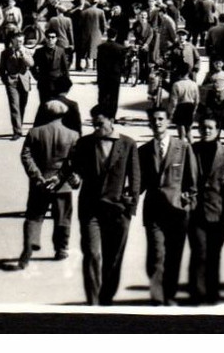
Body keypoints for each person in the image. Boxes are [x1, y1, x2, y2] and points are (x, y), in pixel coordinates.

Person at [64, 107, 141, 306]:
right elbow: (76, 170)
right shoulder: (85, 143)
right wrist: (75, 178)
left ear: (111, 120)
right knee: (92, 253)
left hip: (118, 210)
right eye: (94, 124)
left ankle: (106, 298)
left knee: (113, 259)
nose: (97, 128)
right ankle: (93, 302)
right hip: (91, 209)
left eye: (100, 123)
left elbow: (135, 177)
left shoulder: (128, 144)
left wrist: (130, 209)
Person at [140, 106, 196, 306]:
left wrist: (188, 202)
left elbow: (192, 180)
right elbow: (140, 183)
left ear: (168, 121)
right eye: (154, 119)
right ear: (149, 122)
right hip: (154, 211)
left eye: (161, 119)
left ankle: (169, 295)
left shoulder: (183, 147)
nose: (157, 123)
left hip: (177, 211)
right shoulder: (144, 151)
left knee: (174, 257)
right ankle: (157, 296)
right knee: (156, 255)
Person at [18, 100, 79, 268]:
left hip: (40, 183)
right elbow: (74, 161)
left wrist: (36, 176)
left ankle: (30, 243)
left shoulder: (34, 133)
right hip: (62, 184)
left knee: (34, 216)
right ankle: (61, 248)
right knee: (62, 217)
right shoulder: (72, 135)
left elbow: (26, 156)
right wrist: (60, 176)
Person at [188, 113, 224, 306]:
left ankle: (212, 294)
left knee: (214, 255)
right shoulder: (192, 150)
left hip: (218, 212)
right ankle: (197, 294)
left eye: (210, 128)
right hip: (196, 211)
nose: (206, 131)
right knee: (199, 252)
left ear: (218, 131)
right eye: (203, 128)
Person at [0, 34, 35, 139]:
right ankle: (17, 131)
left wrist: (23, 54)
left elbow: (31, 64)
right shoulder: (5, 53)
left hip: (24, 81)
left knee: (22, 105)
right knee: (14, 106)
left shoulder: (27, 51)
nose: (20, 43)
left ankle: (19, 125)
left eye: (22, 41)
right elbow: (2, 68)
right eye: (18, 41)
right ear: (12, 41)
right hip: (12, 81)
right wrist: (5, 79)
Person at [32, 29, 72, 107]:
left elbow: (65, 68)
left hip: (57, 82)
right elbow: (32, 66)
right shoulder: (39, 51)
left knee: (56, 104)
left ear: (56, 39)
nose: (50, 39)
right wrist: (37, 77)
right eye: (48, 37)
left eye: (53, 37)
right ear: (45, 38)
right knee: (44, 104)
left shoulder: (61, 51)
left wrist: (66, 81)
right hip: (44, 82)